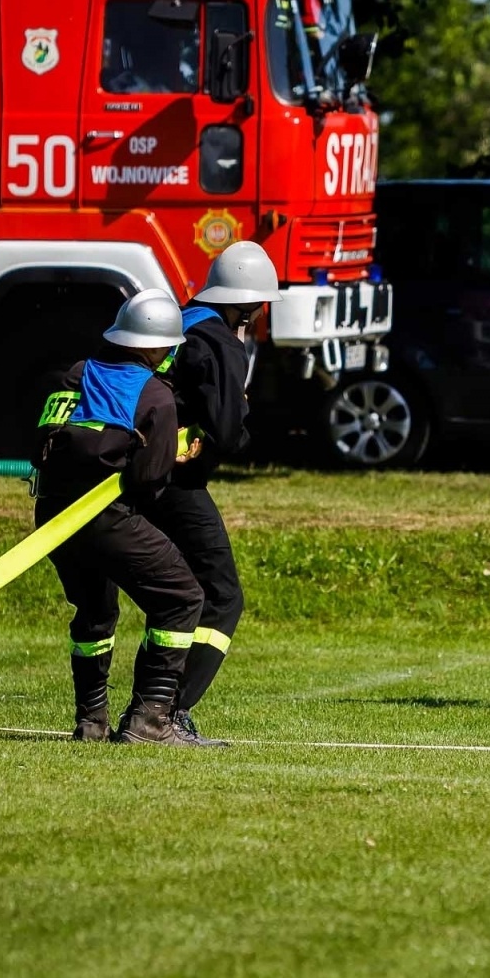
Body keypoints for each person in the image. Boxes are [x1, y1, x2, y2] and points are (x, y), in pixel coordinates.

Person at [32, 288, 207, 747]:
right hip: (107, 518)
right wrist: (173, 455)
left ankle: (91, 724)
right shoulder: (155, 398)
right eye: (169, 346)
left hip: (52, 515)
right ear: (153, 347)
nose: (172, 353)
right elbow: (148, 484)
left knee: (94, 612)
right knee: (181, 597)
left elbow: (48, 441)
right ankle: (150, 721)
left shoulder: (74, 374)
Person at [142, 241, 283, 747]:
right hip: (177, 482)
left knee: (178, 596)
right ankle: (166, 713)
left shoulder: (178, 323)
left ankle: (149, 711)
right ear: (247, 304)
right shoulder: (222, 342)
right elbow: (226, 430)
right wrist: (238, 429)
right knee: (221, 598)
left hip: (140, 476)